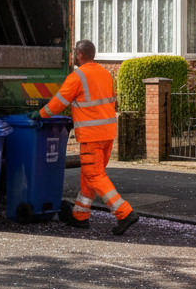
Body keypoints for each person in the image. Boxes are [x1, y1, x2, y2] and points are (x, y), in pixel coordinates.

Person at [39, 40, 138, 236]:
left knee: (94, 176)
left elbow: (58, 103)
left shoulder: (77, 77)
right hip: (108, 134)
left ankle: (124, 213)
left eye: (75, 53)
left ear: (80, 55)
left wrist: (39, 114)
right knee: (89, 176)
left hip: (91, 136)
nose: (74, 57)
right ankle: (80, 216)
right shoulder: (106, 73)